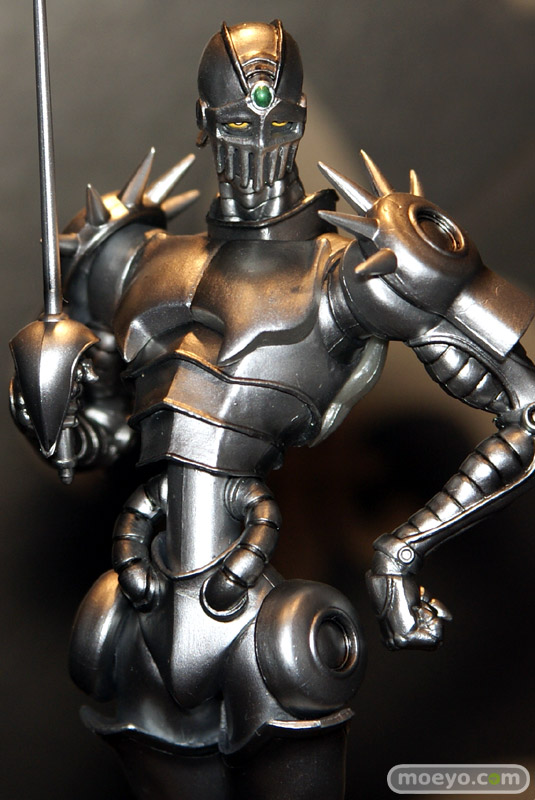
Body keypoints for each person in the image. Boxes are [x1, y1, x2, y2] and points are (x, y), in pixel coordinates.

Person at [10, 20, 535, 800]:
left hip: (260, 611)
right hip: (139, 602)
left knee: (296, 665)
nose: (256, 144)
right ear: (204, 122)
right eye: (234, 125)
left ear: (296, 120)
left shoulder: (353, 268)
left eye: (277, 123)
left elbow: (526, 404)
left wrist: (402, 552)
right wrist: (47, 393)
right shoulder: (132, 264)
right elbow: (95, 445)